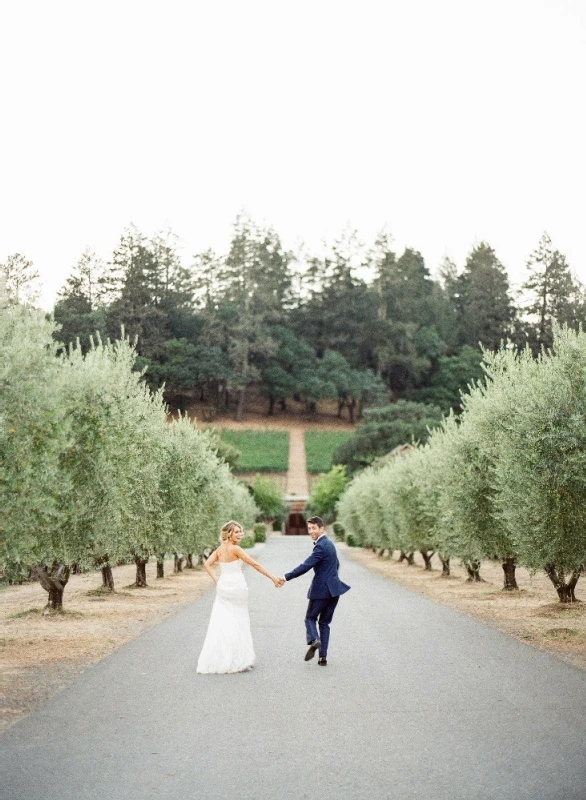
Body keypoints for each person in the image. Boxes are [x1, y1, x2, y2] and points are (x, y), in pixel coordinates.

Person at [197, 520, 281, 674]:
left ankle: (220, 657)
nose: (240, 534)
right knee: (238, 619)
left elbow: (207, 565)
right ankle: (237, 658)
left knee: (222, 620)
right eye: (236, 531)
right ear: (229, 534)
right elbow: (255, 565)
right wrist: (273, 577)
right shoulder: (236, 549)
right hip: (237, 586)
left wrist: (216, 580)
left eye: (240, 531)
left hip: (223, 585)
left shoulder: (219, 550)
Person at [277, 516, 350, 666]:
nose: (311, 531)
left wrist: (285, 577)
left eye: (313, 528)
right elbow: (336, 564)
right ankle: (323, 658)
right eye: (309, 528)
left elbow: (306, 566)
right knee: (324, 622)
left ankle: (314, 640)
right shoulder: (330, 544)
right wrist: (331, 578)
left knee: (310, 618)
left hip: (321, 590)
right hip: (335, 590)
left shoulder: (320, 546)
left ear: (321, 528)